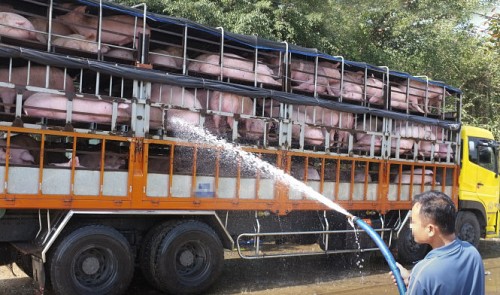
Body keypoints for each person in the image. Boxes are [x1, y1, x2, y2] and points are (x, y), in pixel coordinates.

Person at [390, 190, 485, 295]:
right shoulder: (472, 254)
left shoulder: (423, 272)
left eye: (413, 222)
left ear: (430, 229)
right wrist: (412, 280)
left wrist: (417, 281)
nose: (410, 226)